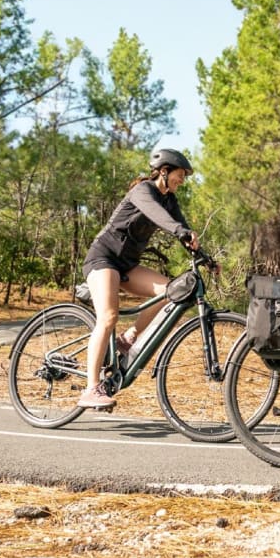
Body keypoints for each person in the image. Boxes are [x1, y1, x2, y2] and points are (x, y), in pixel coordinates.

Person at [77, 148, 199, 409]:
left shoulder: (170, 200)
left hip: (127, 265)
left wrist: (205, 257)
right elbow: (160, 217)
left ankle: (128, 338)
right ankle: (90, 388)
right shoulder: (143, 191)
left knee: (169, 291)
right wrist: (180, 230)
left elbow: (182, 227)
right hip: (103, 259)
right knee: (109, 316)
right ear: (164, 172)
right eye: (180, 175)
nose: (182, 181)